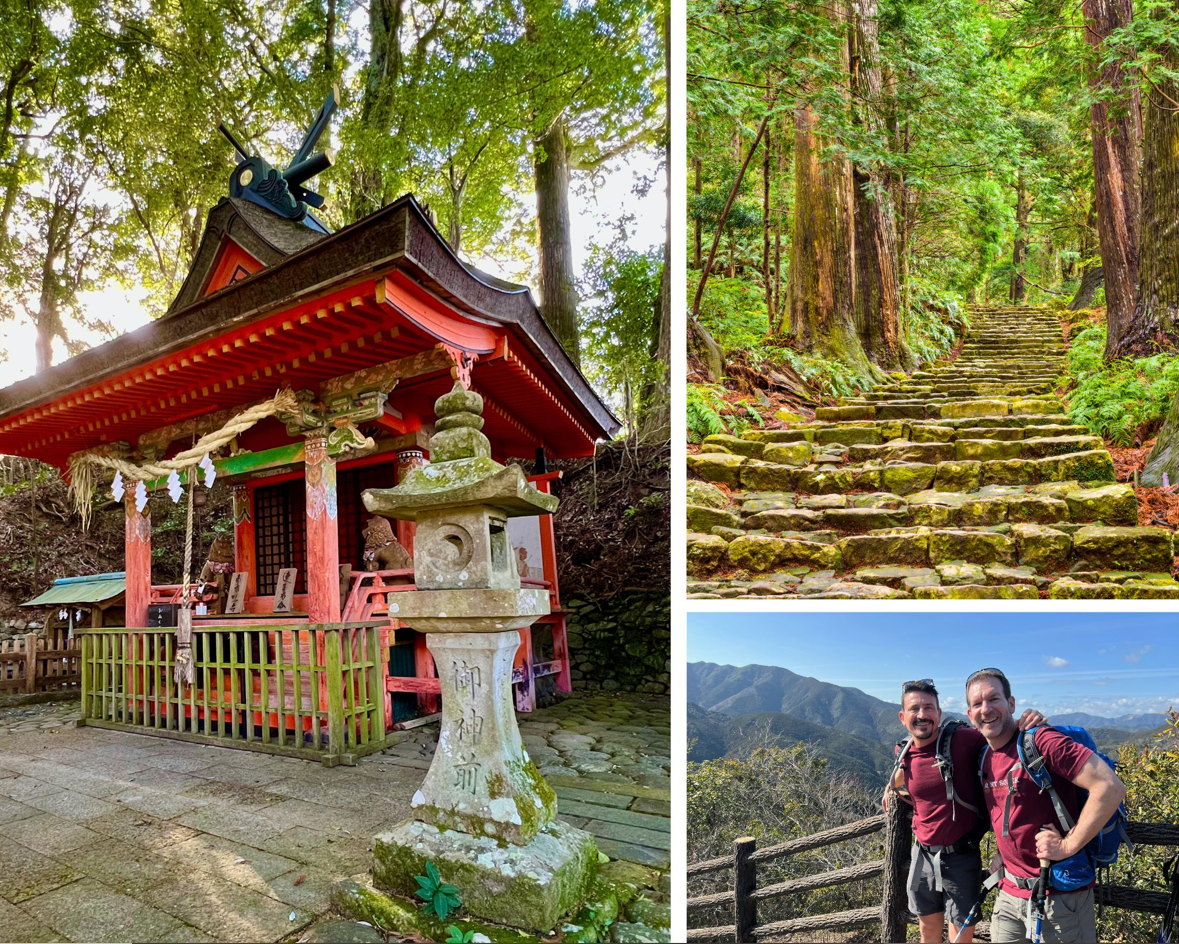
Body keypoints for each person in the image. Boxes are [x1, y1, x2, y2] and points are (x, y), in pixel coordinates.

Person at [966, 667, 1127, 943]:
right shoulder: (984, 758)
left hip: (1060, 899)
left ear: (1011, 704)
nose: (986, 709)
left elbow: (1110, 787)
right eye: (977, 703)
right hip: (1008, 893)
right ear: (970, 715)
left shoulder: (1040, 741)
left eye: (994, 699)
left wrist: (1067, 845)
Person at [885, 678, 1046, 944]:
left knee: (960, 935)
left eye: (928, 708)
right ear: (903, 717)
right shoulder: (903, 752)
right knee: (927, 931)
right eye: (914, 709)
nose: (922, 715)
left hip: (960, 856)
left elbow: (1001, 732)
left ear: (939, 713)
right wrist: (889, 787)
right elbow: (906, 775)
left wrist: (1033, 720)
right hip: (923, 854)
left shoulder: (961, 740)